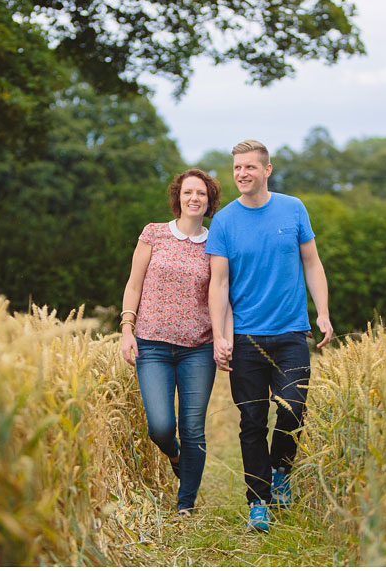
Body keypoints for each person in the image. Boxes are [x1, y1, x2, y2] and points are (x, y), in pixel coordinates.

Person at [206, 139, 334, 533]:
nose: (242, 173)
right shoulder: (224, 221)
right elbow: (219, 283)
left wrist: (323, 313)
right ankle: (258, 501)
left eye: (249, 167)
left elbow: (312, 263)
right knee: (251, 421)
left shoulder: (293, 209)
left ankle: (281, 471)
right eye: (236, 168)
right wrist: (219, 336)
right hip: (246, 338)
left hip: (292, 332)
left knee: (294, 410)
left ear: (267, 170)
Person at [120, 168, 225, 515]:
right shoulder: (154, 234)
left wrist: (224, 338)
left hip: (198, 348)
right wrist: (126, 329)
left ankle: (186, 504)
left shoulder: (216, 243)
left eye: (201, 194)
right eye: (187, 192)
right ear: (177, 197)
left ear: (209, 201)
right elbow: (134, 284)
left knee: (193, 427)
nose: (194, 198)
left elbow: (220, 294)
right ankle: (176, 456)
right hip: (152, 345)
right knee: (161, 426)